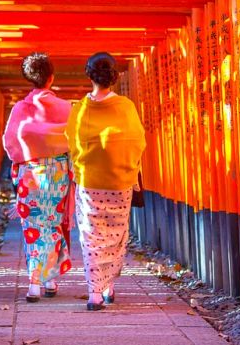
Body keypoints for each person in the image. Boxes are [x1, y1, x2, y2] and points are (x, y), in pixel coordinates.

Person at [65, 52, 146, 311]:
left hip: (89, 181)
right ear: (115, 76)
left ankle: (94, 293)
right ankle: (109, 285)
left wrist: (79, 168)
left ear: (89, 75)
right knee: (115, 236)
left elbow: (72, 143)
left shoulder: (79, 109)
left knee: (91, 236)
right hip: (120, 181)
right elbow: (137, 141)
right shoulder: (125, 107)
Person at [2, 52, 74, 302]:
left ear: (28, 78)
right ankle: (49, 280)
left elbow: (10, 142)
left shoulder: (21, 108)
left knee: (33, 227)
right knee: (52, 223)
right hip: (58, 173)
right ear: (51, 78)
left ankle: (35, 282)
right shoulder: (66, 108)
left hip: (30, 173)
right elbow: (75, 140)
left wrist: (23, 160)